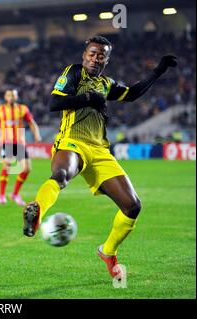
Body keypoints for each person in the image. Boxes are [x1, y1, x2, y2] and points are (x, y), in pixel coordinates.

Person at [22, 35, 177, 279]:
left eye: (101, 55)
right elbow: (54, 102)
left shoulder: (106, 83)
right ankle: (37, 212)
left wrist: (158, 70)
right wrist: (87, 98)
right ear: (84, 55)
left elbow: (132, 93)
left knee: (132, 206)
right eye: (92, 53)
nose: (95, 58)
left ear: (107, 59)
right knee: (61, 175)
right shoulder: (74, 73)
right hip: (72, 141)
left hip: (100, 151)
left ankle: (108, 251)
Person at [0, 89, 41, 205]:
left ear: (16, 96)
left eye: (13, 95)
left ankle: (15, 194)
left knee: (27, 169)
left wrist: (37, 134)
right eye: (9, 95)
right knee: (7, 166)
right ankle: (1, 195)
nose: (11, 97)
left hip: (20, 143)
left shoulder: (23, 109)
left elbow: (31, 122)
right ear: (5, 97)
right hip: (7, 142)